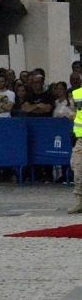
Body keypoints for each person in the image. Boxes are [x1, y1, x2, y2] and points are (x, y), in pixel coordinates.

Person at [70, 85, 82, 214]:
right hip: (80, 139)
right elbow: (75, 111)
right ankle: (80, 202)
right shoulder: (77, 93)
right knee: (77, 169)